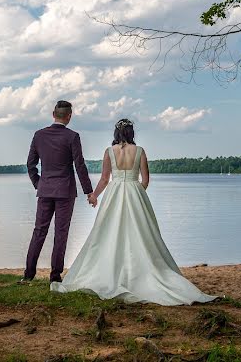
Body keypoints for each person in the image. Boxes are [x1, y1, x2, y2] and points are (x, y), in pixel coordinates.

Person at [51, 118, 216, 305]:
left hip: (114, 194)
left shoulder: (109, 152)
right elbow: (145, 179)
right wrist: (137, 195)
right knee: (142, 234)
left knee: (108, 233)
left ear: (116, 133)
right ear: (131, 133)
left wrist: (94, 196)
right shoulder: (140, 151)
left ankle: (112, 270)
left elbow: (105, 179)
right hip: (135, 192)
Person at [22, 100, 94, 283]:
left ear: (53, 114)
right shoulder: (72, 137)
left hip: (45, 190)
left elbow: (30, 164)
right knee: (61, 233)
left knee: (39, 231)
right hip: (65, 192)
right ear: (69, 116)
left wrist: (39, 183)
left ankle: (28, 275)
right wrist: (88, 191)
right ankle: (55, 277)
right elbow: (80, 166)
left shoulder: (39, 135)